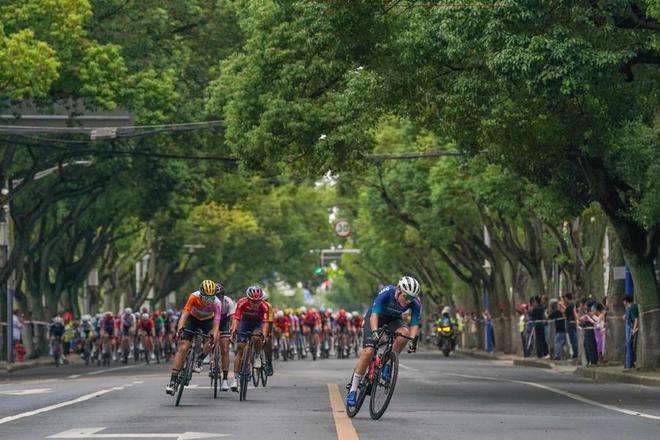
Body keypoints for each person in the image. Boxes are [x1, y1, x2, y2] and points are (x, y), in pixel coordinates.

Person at [346, 276, 421, 408]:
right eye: (407, 297)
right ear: (399, 291)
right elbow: (374, 314)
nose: (409, 301)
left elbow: (414, 323)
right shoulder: (387, 292)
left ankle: (387, 363)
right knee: (368, 352)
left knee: (405, 334)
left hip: (394, 320)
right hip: (376, 318)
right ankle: (353, 390)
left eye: (412, 298)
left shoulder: (415, 302)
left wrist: (413, 340)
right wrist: (374, 332)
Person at [165, 280, 222, 395]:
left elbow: (216, 322)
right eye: (206, 298)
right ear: (201, 295)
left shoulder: (217, 303)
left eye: (211, 298)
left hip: (208, 321)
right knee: (183, 347)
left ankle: (200, 359)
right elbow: (185, 314)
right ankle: (172, 381)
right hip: (193, 319)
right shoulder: (193, 297)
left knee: (213, 340)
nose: (208, 301)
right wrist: (180, 328)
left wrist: (214, 335)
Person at [230, 285, 269, 392]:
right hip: (245, 322)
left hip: (258, 323)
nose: (256, 304)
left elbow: (265, 323)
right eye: (253, 301)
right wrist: (234, 330)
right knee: (240, 348)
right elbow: (236, 318)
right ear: (248, 299)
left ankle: (257, 354)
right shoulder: (242, 302)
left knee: (257, 337)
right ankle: (235, 378)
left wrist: (264, 335)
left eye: (258, 301)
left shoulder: (265, 306)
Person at [214, 282, 236, 391]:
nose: (217, 299)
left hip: (224, 322)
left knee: (225, 349)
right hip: (213, 320)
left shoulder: (228, 301)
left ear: (223, 296)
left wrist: (231, 333)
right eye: (215, 296)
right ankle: (209, 357)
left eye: (219, 296)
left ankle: (225, 380)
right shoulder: (209, 302)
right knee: (211, 338)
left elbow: (233, 319)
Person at [623, 295, 639, 370]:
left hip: (631, 328)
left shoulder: (632, 307)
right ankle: (628, 363)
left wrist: (634, 328)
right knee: (627, 345)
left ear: (626, 301)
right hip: (629, 327)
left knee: (629, 344)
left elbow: (635, 319)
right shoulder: (628, 308)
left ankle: (630, 363)